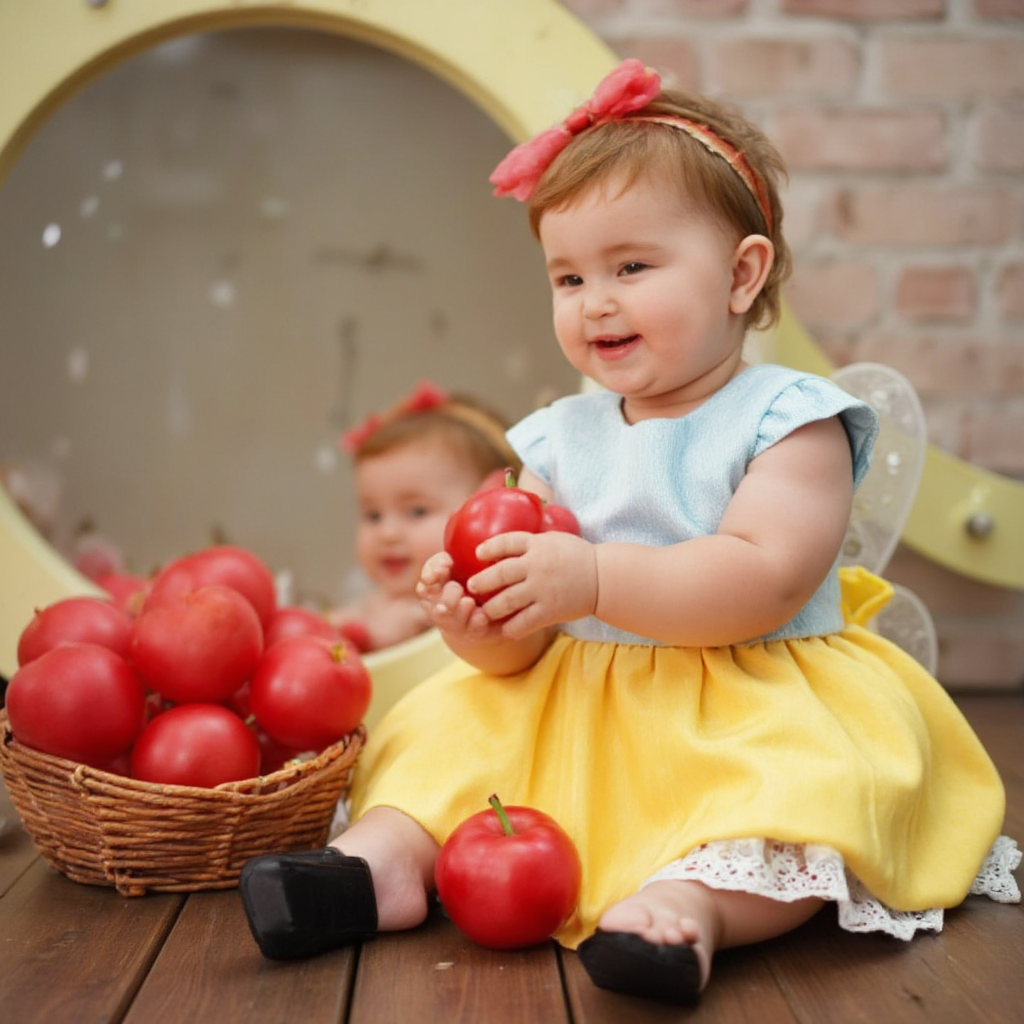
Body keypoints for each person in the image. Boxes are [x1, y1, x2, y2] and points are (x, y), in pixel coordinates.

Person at [239, 60, 1019, 1006]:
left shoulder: (791, 419)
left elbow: (762, 577)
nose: (594, 299)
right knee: (448, 735)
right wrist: (481, 622)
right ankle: (382, 865)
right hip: (579, 698)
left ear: (741, 274)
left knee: (784, 800)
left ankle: (692, 908)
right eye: (569, 276)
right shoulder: (558, 436)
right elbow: (522, 640)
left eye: (632, 267)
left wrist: (595, 580)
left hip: (747, 691)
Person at [326, 380, 520, 652]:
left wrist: (389, 633)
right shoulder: (367, 601)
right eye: (373, 516)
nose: (387, 533)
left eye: (417, 511)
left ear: (489, 506)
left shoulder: (468, 606)